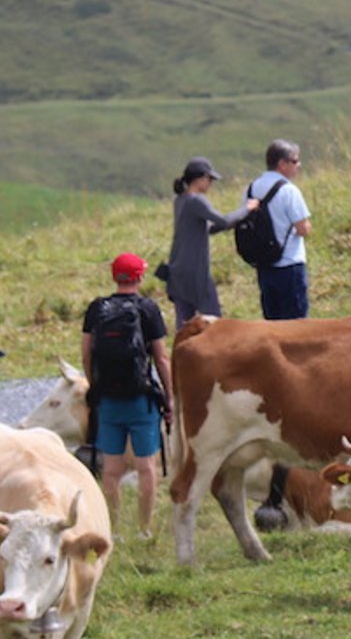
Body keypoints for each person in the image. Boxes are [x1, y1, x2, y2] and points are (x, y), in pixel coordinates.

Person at [81, 253, 174, 539]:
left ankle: (113, 530)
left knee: (111, 470)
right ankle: (144, 529)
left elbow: (86, 352)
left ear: (114, 277)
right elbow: (161, 359)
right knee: (147, 468)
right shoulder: (148, 308)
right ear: (139, 277)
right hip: (141, 399)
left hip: (108, 399)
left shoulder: (97, 309)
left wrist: (94, 383)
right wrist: (169, 398)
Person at [166, 156, 258, 328]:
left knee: (184, 324)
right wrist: (246, 209)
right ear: (200, 178)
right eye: (209, 179)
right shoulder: (196, 200)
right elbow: (222, 221)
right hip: (195, 271)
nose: (210, 184)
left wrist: (234, 221)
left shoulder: (180, 199)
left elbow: (208, 228)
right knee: (214, 320)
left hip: (178, 270)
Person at [248, 139, 312, 320]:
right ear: (282, 164)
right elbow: (303, 228)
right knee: (296, 325)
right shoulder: (289, 191)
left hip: (264, 264)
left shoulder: (251, 189)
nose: (298, 166)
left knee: (273, 324)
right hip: (289, 263)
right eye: (294, 161)